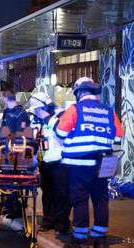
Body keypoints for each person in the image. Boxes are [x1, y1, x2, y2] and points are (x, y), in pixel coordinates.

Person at [56, 77, 123, 248]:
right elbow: (118, 136)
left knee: (80, 200)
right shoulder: (109, 111)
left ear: (78, 93)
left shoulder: (75, 109)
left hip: (78, 165)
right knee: (100, 199)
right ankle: (99, 237)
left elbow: (60, 133)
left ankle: (80, 238)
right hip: (102, 165)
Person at [29, 92, 71, 234]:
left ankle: (62, 224)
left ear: (45, 106)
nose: (36, 112)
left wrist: (47, 118)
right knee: (47, 193)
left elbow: (61, 132)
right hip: (45, 161)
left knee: (61, 194)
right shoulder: (36, 118)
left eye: (37, 109)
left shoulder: (61, 114)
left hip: (61, 161)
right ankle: (48, 220)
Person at [0, 90, 31, 218]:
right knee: (5, 180)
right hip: (5, 152)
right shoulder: (7, 112)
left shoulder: (21, 114)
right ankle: (7, 205)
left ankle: (15, 207)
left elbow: (23, 135)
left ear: (5, 99)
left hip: (15, 154)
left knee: (14, 181)